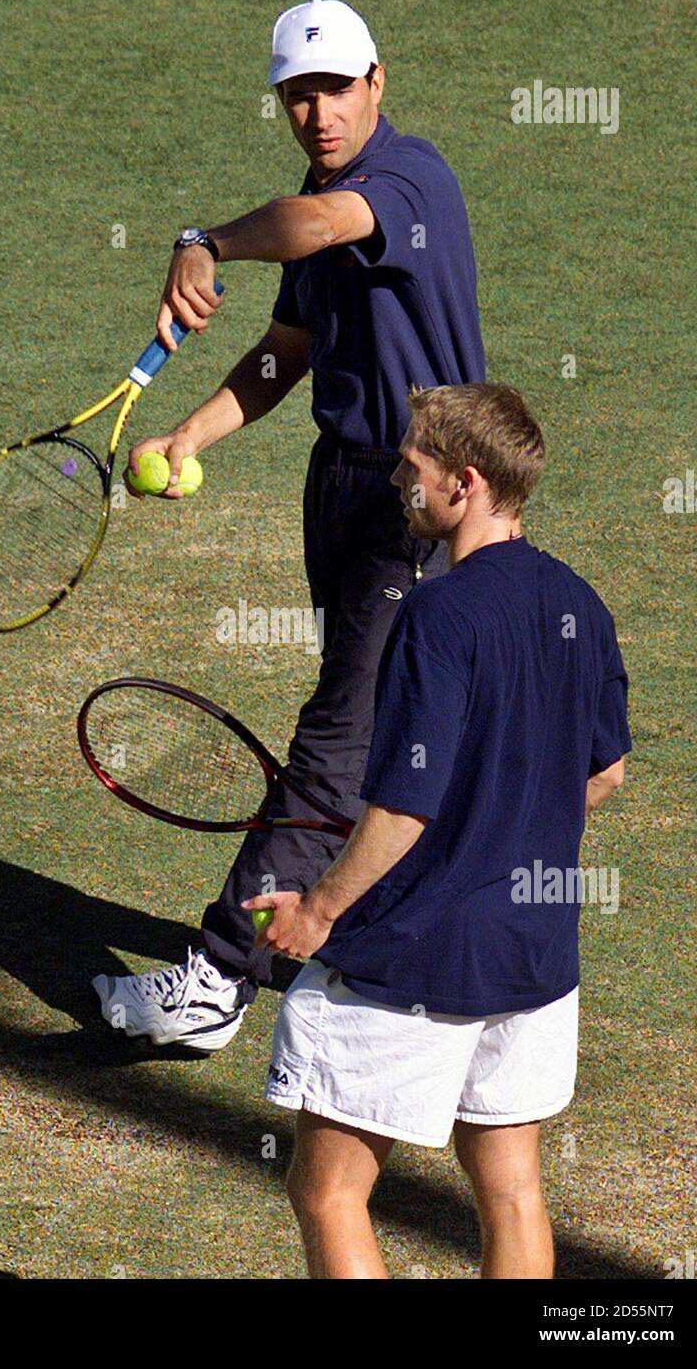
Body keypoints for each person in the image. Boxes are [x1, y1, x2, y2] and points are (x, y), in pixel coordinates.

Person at [93, 0, 486, 1049]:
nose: (315, 112)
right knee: (385, 730)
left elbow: (315, 227)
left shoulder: (407, 181)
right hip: (346, 485)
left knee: (341, 735)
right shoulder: (319, 197)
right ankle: (367, 941)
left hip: (419, 496)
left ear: (376, 83)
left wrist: (203, 240)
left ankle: (219, 976)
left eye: (333, 89)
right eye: (295, 95)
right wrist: (192, 437)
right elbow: (285, 348)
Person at [240, 382, 631, 1279]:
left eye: (408, 469)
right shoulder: (579, 602)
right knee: (509, 1189)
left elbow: (405, 808)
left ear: (463, 482)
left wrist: (319, 912)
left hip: (418, 955)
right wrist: (500, 827)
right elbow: (603, 771)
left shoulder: (438, 613)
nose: (393, 482)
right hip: (533, 953)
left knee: (329, 1190)